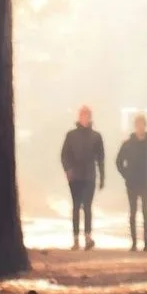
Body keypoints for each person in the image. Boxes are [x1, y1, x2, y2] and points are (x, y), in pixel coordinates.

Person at [116, 112, 147, 251]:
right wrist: (126, 175)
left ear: (145, 126)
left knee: (145, 212)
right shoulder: (128, 144)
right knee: (132, 212)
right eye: (138, 125)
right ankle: (134, 242)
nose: (140, 127)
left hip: (146, 182)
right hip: (132, 182)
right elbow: (119, 161)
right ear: (135, 126)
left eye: (142, 124)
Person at [60, 106, 106, 249]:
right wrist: (68, 169)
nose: (85, 118)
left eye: (87, 116)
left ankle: (87, 236)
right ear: (79, 117)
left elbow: (100, 158)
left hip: (89, 176)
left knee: (87, 206)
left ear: (90, 118)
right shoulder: (71, 135)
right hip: (75, 176)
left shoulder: (96, 136)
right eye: (83, 115)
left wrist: (102, 176)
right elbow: (64, 154)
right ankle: (75, 238)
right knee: (76, 206)